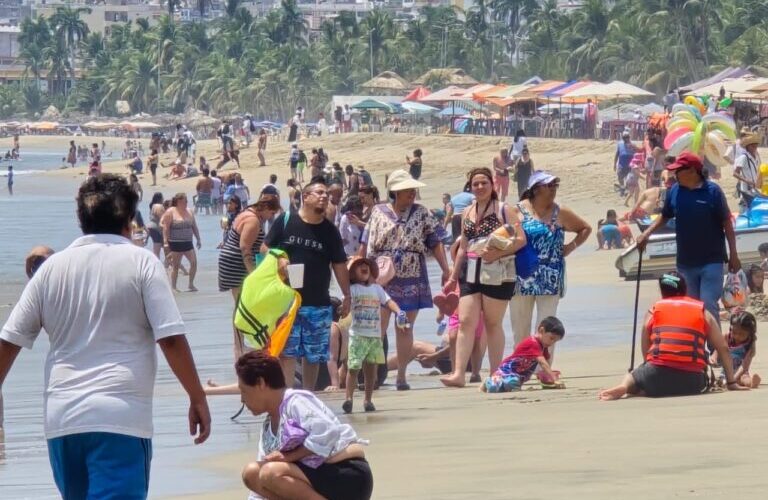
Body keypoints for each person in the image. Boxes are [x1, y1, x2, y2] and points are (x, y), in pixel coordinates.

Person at [0, 174, 210, 498]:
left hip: (62, 422)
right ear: (129, 219)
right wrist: (197, 396)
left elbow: (8, 342)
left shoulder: (51, 269)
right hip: (120, 418)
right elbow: (169, 338)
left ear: (80, 218)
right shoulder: (142, 262)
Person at [237, 351, 373, 500]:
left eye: (243, 391)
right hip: (315, 478)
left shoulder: (296, 401)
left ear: (260, 383)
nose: (242, 399)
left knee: (270, 472)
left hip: (346, 472)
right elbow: (258, 492)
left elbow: (328, 431)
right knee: (252, 473)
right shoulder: (268, 426)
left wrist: (289, 456)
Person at [360, 170, 451, 390]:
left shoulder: (421, 213)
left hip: (412, 277)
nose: (412, 193)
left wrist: (446, 271)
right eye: (407, 189)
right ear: (395, 191)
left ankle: (401, 375)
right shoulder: (378, 212)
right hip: (380, 277)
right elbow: (365, 243)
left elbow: (435, 242)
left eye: (413, 189)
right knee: (378, 327)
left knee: (405, 327)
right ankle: (371, 376)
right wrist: (359, 272)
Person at [599, 272, 747, 399]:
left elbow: (645, 340)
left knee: (633, 375)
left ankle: (625, 387)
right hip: (693, 382)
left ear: (662, 291)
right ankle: (649, 387)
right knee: (681, 377)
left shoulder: (655, 310)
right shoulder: (701, 311)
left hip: (655, 376)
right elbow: (723, 348)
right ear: (685, 288)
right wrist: (731, 382)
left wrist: (648, 365)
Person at [441, 168, 526, 387]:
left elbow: (520, 240)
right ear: (470, 187)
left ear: (493, 185)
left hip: (498, 271)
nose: (479, 187)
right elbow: (462, 247)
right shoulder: (467, 212)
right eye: (475, 184)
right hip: (470, 271)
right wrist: (452, 274)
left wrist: (497, 253)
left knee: (492, 323)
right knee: (466, 321)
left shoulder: (504, 210)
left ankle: (496, 373)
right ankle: (459, 373)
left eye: (484, 183)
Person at [263, 179, 351, 391]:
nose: (324, 197)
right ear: (306, 197)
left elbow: (339, 264)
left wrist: (347, 295)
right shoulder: (285, 221)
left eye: (326, 195)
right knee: (288, 352)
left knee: (314, 355)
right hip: (287, 302)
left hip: (318, 301)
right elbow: (265, 248)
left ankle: (309, 395)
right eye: (319, 192)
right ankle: (287, 397)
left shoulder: (330, 231)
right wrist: (279, 258)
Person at [637, 152, 740, 320]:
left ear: (692, 171)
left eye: (678, 170)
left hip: (712, 260)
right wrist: (646, 234)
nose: (673, 174)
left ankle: (711, 346)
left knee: (708, 304)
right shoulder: (675, 191)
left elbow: (727, 223)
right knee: (691, 307)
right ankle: (696, 345)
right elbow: (665, 216)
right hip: (685, 263)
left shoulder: (713, 191)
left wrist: (734, 255)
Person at [509, 171, 592, 363]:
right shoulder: (516, 211)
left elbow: (585, 228)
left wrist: (570, 247)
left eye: (555, 185)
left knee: (547, 327)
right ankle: (520, 366)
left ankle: (544, 369)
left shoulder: (560, 211)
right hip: (522, 276)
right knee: (520, 327)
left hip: (551, 277)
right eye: (549, 185)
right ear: (536, 189)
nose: (554, 189)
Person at [219, 195, 280, 360]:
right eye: (272, 213)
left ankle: (240, 344)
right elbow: (245, 248)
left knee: (241, 304)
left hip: (230, 260)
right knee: (241, 305)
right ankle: (239, 346)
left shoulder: (247, 212)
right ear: (266, 209)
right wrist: (253, 273)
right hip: (237, 264)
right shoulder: (253, 220)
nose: (271, 217)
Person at [343, 257, 407, 414]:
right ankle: (349, 398)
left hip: (374, 336)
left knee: (371, 371)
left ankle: (368, 400)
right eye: (358, 266)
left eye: (366, 265)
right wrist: (342, 309)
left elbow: (389, 301)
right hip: (357, 335)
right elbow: (345, 306)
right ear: (351, 274)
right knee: (353, 368)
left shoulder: (377, 289)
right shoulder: (352, 290)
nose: (363, 267)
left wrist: (399, 311)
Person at [482, 316, 565, 392]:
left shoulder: (543, 346)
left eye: (555, 341)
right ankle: (488, 382)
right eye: (551, 338)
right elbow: (543, 363)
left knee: (511, 385)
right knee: (502, 386)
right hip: (508, 370)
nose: (552, 342)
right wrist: (553, 378)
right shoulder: (533, 343)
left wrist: (546, 377)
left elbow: (546, 362)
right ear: (541, 330)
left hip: (518, 375)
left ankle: (503, 384)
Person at [161, 193, 202, 292]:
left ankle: (191, 284)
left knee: (194, 262)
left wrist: (198, 239)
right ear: (178, 202)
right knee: (175, 266)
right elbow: (165, 228)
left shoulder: (189, 211)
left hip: (188, 242)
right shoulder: (170, 212)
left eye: (187, 201)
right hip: (175, 243)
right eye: (185, 201)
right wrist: (166, 242)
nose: (187, 203)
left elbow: (194, 226)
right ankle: (174, 287)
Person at [712, 310, 761, 388]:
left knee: (745, 379)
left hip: (741, 371)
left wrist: (733, 380)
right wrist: (714, 357)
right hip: (726, 372)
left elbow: (744, 366)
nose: (737, 336)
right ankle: (730, 381)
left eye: (742, 334)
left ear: (750, 333)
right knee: (720, 381)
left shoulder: (749, 344)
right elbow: (718, 348)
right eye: (734, 332)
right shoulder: (727, 337)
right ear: (731, 328)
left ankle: (753, 382)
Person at [734, 133, 762, 208]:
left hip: (755, 187)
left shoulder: (756, 156)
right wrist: (747, 180)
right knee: (745, 206)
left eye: (755, 144)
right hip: (747, 189)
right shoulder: (744, 157)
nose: (754, 146)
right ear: (747, 146)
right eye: (752, 145)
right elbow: (735, 173)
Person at [614, 130, 636, 195]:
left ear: (629, 137)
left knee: (628, 178)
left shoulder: (633, 144)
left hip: (630, 166)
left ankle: (626, 189)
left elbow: (636, 154)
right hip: (621, 165)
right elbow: (617, 154)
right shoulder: (620, 144)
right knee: (620, 177)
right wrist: (614, 164)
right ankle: (622, 187)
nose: (626, 138)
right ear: (622, 138)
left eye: (627, 137)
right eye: (624, 137)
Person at [146, 192, 165, 257]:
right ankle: (156, 265)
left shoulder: (153, 206)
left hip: (149, 227)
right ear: (160, 198)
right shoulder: (159, 206)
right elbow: (162, 219)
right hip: (156, 228)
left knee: (157, 248)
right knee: (157, 251)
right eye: (162, 197)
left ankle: (166, 265)